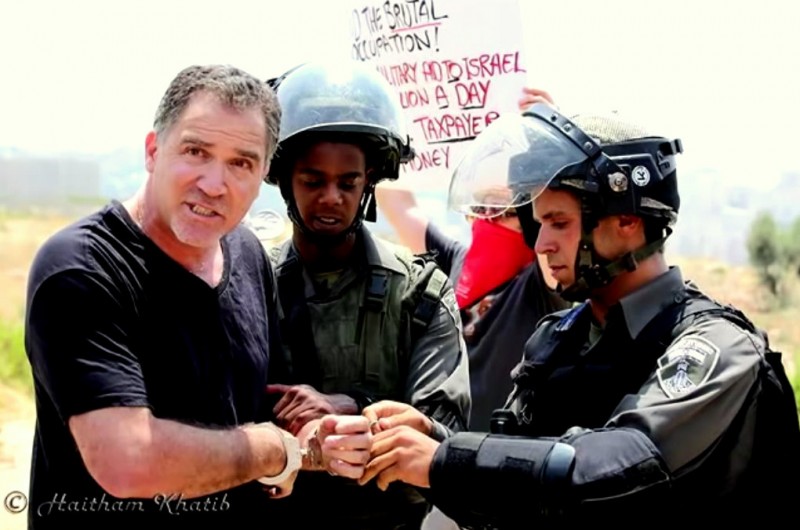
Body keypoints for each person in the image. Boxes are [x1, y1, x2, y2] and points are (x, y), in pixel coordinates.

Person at [358, 103, 800, 526]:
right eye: (540, 224)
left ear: (627, 219)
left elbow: (619, 468)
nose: (542, 244)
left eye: (560, 223)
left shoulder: (716, 348)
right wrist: (432, 441)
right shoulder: (559, 339)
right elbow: (517, 472)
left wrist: (442, 460)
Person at [24, 64, 372, 529]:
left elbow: (254, 402)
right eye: (196, 151)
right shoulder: (82, 269)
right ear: (153, 151)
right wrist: (274, 451)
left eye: (241, 163)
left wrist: (314, 434)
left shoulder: (247, 254)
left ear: (264, 173)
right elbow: (129, 462)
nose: (213, 183)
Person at [249, 60, 471, 529]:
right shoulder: (250, 283)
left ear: (368, 181)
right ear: (285, 179)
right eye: (313, 181)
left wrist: (349, 406)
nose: (331, 197)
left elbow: (441, 435)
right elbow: (219, 416)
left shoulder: (421, 293)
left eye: (348, 183)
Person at [374, 88, 571, 433]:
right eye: (480, 208)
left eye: (503, 210)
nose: (487, 220)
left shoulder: (543, 282)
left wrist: (551, 134)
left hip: (506, 460)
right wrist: (384, 135)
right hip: (445, 454)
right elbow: (399, 206)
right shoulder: (455, 260)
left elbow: (559, 207)